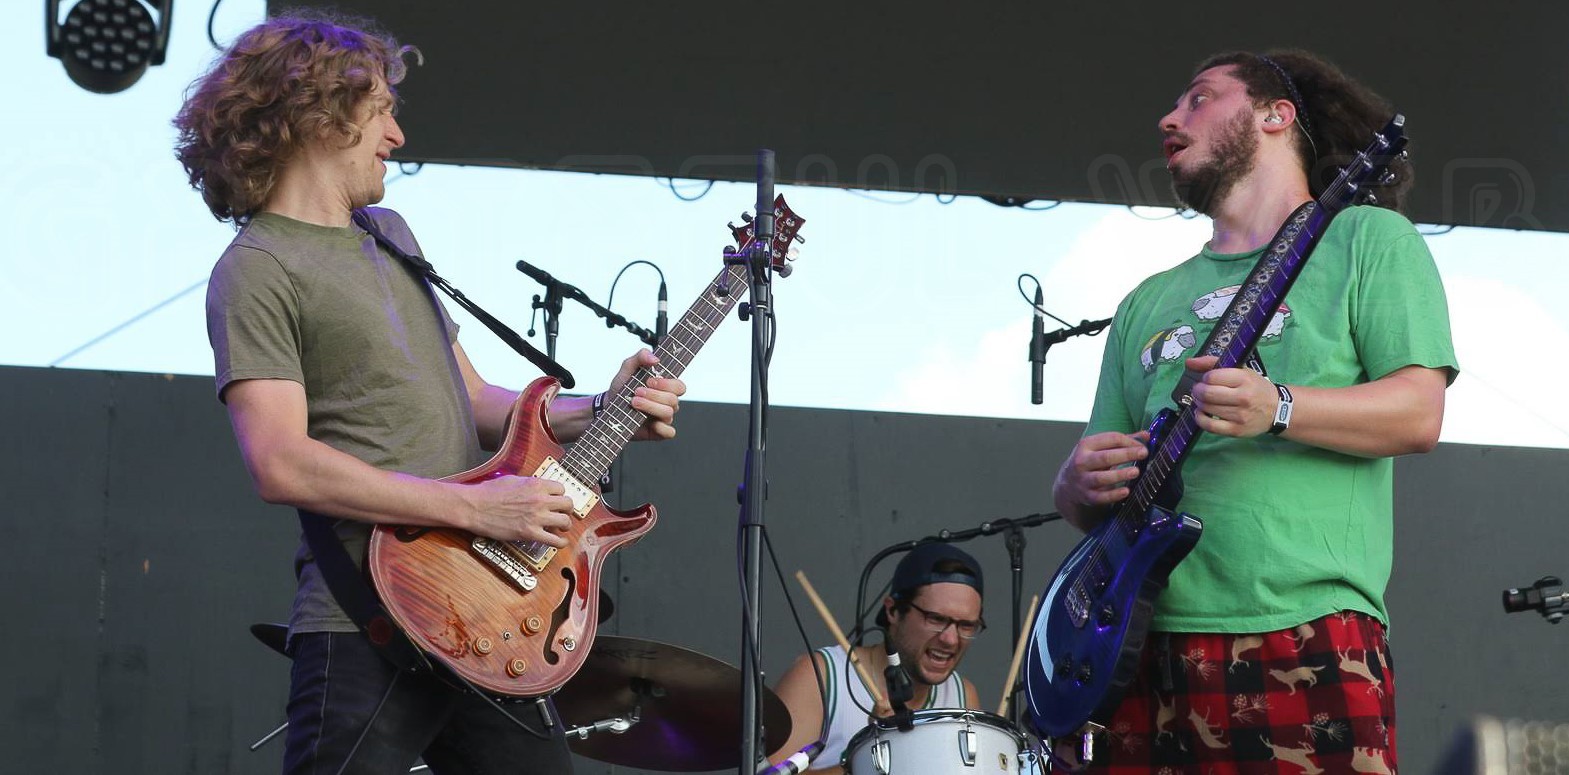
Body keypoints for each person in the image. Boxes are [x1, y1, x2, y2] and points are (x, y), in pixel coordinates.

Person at [174, 12, 685, 775]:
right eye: (382, 108)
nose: (397, 135)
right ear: (319, 114)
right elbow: (279, 462)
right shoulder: (256, 268)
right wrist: (477, 507)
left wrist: (601, 413)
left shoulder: (391, 234)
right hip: (365, 620)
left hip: (483, 614)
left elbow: (472, 398)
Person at [1050, 49, 1457, 772]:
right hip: (1132, 652)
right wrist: (1075, 484)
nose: (1169, 118)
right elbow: (1096, 498)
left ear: (1276, 115)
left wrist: (1279, 405)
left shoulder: (1368, 241)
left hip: (1302, 631)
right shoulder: (1146, 299)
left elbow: (1418, 413)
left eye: (1200, 97)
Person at [770, 543, 986, 773]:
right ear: (893, 610)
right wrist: (865, 761)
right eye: (935, 619)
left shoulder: (962, 696)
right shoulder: (820, 677)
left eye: (966, 625)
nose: (951, 639)